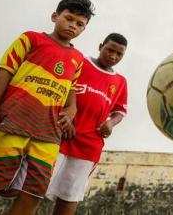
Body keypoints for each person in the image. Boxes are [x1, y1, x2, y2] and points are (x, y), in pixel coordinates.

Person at [0, 0, 95, 215]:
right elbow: (4, 71)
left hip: (49, 135)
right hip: (12, 124)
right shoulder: (31, 39)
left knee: (32, 195)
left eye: (80, 23)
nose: (73, 25)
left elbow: (71, 88)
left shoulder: (77, 58)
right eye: (68, 18)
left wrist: (72, 109)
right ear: (55, 16)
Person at [45, 33, 129, 215]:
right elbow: (61, 88)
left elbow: (120, 111)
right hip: (59, 135)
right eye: (110, 50)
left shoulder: (120, 81)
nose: (113, 56)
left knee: (69, 195)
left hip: (89, 144)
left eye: (119, 54)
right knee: (36, 187)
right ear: (100, 46)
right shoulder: (80, 63)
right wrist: (66, 117)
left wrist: (111, 123)